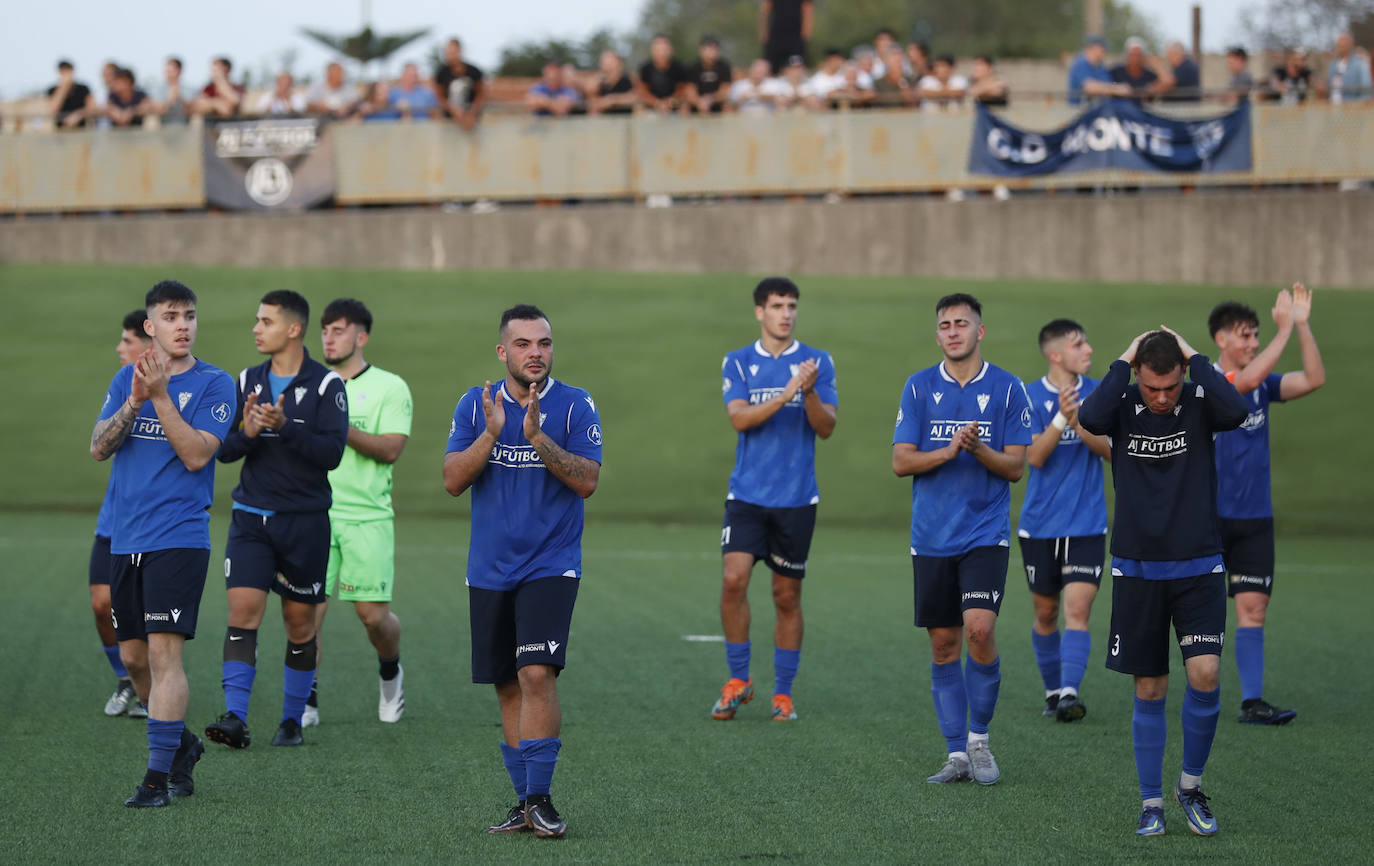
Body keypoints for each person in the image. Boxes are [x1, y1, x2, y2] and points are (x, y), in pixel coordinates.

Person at [1078, 328, 1249, 838]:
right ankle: (1151, 802)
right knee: (1150, 687)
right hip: (1137, 568)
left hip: (1198, 564)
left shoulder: (1199, 400)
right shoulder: (1122, 401)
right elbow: (1088, 417)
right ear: (1137, 376)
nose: (1160, 396)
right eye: (1152, 386)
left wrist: (1194, 358)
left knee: (1205, 674)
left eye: (1169, 386)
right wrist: (1123, 357)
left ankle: (1190, 788)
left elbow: (1237, 410)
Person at [443, 304, 602, 839]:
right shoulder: (475, 405)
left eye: (544, 344)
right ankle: (522, 802)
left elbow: (587, 481)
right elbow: (451, 480)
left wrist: (537, 438)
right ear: (503, 351)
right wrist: (491, 435)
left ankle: (540, 798)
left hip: (551, 566)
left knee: (537, 674)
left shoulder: (576, 404)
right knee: (507, 687)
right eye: (524, 344)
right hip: (489, 569)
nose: (536, 353)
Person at [90, 280, 235, 807]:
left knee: (164, 655)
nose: (183, 324)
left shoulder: (217, 384)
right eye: (171, 316)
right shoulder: (125, 378)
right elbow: (99, 447)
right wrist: (133, 401)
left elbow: (198, 455)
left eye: (190, 315)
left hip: (179, 538)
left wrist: (160, 397)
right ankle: (182, 746)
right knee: (134, 661)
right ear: (150, 327)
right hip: (124, 539)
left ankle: (155, 781)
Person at [892, 293, 1032, 786]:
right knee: (944, 644)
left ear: (980, 331)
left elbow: (1016, 467)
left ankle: (979, 741)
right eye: (945, 325)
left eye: (962, 324)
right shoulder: (917, 387)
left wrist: (980, 449)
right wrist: (949, 451)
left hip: (983, 534)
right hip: (931, 537)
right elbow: (901, 461)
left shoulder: (1009, 389)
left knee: (978, 629)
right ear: (937, 335)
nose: (953, 332)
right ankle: (955, 754)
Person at [205, 291, 348, 750]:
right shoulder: (246, 379)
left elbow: (331, 455)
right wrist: (248, 432)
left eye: (265, 321)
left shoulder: (327, 386)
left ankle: (290, 720)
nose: (255, 328)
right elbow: (223, 450)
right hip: (250, 519)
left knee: (299, 625)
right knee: (242, 613)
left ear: (292, 329)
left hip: (304, 524)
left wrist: (285, 426)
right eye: (256, 319)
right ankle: (235, 718)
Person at [713, 278, 837, 723]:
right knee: (733, 580)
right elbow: (739, 418)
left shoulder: (818, 362)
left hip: (796, 499)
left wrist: (808, 392)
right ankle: (739, 679)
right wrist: (786, 393)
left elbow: (826, 427)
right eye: (777, 306)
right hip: (746, 496)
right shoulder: (740, 361)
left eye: (792, 306)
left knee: (786, 595)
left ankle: (782, 693)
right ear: (759, 312)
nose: (786, 313)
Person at [1208, 285, 1325, 725]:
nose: (1253, 343)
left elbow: (1313, 379)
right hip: (1209, 517)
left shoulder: (1263, 383)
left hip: (1255, 518)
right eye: (1245, 335)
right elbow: (1249, 378)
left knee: (1253, 608)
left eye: (1257, 335)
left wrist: (1303, 325)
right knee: (1202, 612)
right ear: (1222, 339)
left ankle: (1251, 702)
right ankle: (1200, 692)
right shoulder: (1211, 383)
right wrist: (1284, 330)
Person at [306, 299, 413, 727]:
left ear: (361, 337)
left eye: (338, 330)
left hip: (367, 518)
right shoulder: (308, 383)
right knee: (305, 614)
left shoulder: (390, 387)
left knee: (373, 616)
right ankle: (305, 700)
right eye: (325, 330)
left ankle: (391, 672)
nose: (329, 337)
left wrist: (338, 426)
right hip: (313, 513)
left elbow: (390, 449)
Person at [1018, 320, 1111, 722]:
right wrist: (1060, 418)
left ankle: (1070, 693)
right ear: (1056, 355)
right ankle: (1053, 691)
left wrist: (1077, 421)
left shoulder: (1099, 394)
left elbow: (1109, 449)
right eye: (1078, 344)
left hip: (1088, 523)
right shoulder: (1026, 396)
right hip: (1039, 525)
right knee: (1045, 613)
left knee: (1078, 609)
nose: (1088, 349)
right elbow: (1034, 458)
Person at [93, 310, 154, 718]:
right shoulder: (121, 387)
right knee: (102, 604)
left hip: (153, 528)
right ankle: (125, 679)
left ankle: (152, 692)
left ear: (146, 346)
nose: (119, 347)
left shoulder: (176, 390)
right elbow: (98, 445)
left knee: (147, 617)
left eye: (126, 341)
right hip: (112, 523)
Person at [435, 37, 485, 130]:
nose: (449, 56)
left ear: (459, 51)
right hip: (450, 120)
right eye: (447, 52)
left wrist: (472, 113)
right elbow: (439, 96)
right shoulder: (442, 73)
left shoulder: (474, 71)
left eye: (452, 52)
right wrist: (454, 110)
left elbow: (480, 94)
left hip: (472, 119)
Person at [1110, 37, 1175, 101]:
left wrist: (1155, 63)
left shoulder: (1148, 75)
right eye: (1132, 55)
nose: (1135, 58)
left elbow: (1168, 82)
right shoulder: (1116, 71)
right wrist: (1116, 89)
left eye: (1138, 55)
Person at [638, 34, 689, 112]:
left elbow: (683, 90)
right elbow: (642, 92)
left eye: (664, 49)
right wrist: (657, 103)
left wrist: (672, 101)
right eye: (658, 49)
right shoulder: (645, 69)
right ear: (653, 51)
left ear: (671, 50)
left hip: (675, 107)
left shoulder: (679, 68)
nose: (661, 53)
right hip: (651, 108)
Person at [760, 0, 813, 74]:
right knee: (770, 70)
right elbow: (765, 9)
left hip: (796, 36)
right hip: (775, 36)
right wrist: (764, 33)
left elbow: (807, 9)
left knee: (796, 68)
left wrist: (805, 36)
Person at [684, 35, 734, 114]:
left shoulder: (724, 66)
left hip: (717, 102)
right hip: (697, 103)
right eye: (709, 48)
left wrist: (710, 99)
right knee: (684, 108)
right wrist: (699, 102)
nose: (712, 51)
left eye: (715, 48)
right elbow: (690, 91)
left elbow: (725, 91)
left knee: (728, 107)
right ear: (701, 50)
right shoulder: (694, 67)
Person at [1325, 31, 1371, 104]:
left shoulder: (1360, 65)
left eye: (1343, 41)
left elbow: (1366, 92)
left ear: (1351, 44)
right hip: (1333, 108)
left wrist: (1358, 108)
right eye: (1338, 42)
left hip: (1352, 110)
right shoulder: (1333, 65)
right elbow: (1329, 88)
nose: (1339, 44)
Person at [48, 59, 95, 129]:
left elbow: (93, 108)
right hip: (61, 132)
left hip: (82, 131)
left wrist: (79, 114)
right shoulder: (52, 90)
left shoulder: (83, 88)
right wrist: (64, 88)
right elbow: (52, 110)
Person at [1066, 36, 1113, 105]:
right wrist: (1116, 89)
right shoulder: (1080, 63)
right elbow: (1090, 88)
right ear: (1093, 48)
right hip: (1078, 109)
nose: (1105, 52)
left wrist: (1111, 89)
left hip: (1097, 108)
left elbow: (1109, 85)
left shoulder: (1100, 66)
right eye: (1102, 49)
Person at [587, 51, 637, 115]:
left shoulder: (627, 81)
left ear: (619, 65)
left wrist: (613, 100)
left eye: (611, 63)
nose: (608, 66)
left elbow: (636, 97)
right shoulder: (598, 83)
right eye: (605, 63)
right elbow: (593, 104)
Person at [151, 57, 189, 123]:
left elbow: (193, 108)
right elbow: (157, 109)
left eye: (170, 71)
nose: (167, 74)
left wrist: (180, 98)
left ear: (179, 71)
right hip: (163, 127)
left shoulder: (188, 89)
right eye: (166, 71)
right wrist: (171, 99)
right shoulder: (158, 89)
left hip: (184, 126)